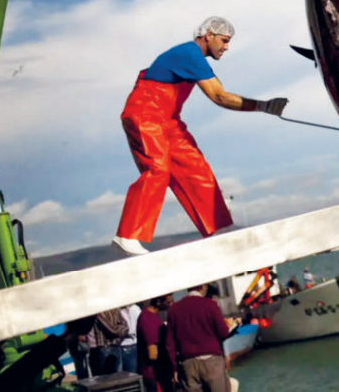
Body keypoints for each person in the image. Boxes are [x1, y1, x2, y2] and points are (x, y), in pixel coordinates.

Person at [112, 17, 289, 255]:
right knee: (158, 169)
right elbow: (220, 96)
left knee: (196, 168)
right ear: (208, 35)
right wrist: (264, 106)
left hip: (168, 119)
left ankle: (219, 229)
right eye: (224, 41)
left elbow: (218, 92)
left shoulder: (194, 59)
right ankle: (127, 235)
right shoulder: (190, 54)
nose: (226, 47)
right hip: (145, 114)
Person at [166, 284, 239, 392]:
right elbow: (223, 332)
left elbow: (170, 344)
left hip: (188, 364)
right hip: (212, 361)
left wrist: (174, 368)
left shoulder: (174, 310)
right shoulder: (210, 305)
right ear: (202, 287)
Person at [137, 294, 173, 392]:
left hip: (159, 371)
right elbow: (153, 354)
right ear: (158, 301)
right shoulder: (148, 320)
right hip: (154, 373)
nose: (171, 304)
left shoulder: (154, 315)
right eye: (168, 302)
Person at [93, 308, 129, 375]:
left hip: (117, 345)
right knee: (107, 376)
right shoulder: (99, 312)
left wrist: (118, 328)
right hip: (105, 347)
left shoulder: (116, 309)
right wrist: (120, 328)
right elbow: (111, 330)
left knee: (120, 375)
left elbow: (126, 326)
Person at [120, 303, 142, 374]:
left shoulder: (135, 309)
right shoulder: (118, 310)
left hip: (133, 343)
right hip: (122, 344)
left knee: (132, 374)